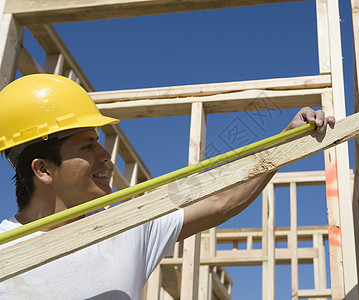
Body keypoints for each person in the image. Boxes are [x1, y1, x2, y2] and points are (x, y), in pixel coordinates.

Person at [0, 74, 334, 299]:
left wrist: (284, 144)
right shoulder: (4, 253)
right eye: (87, 147)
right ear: (43, 169)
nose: (106, 157)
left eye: (99, 143)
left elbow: (221, 201)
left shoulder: (124, 229)